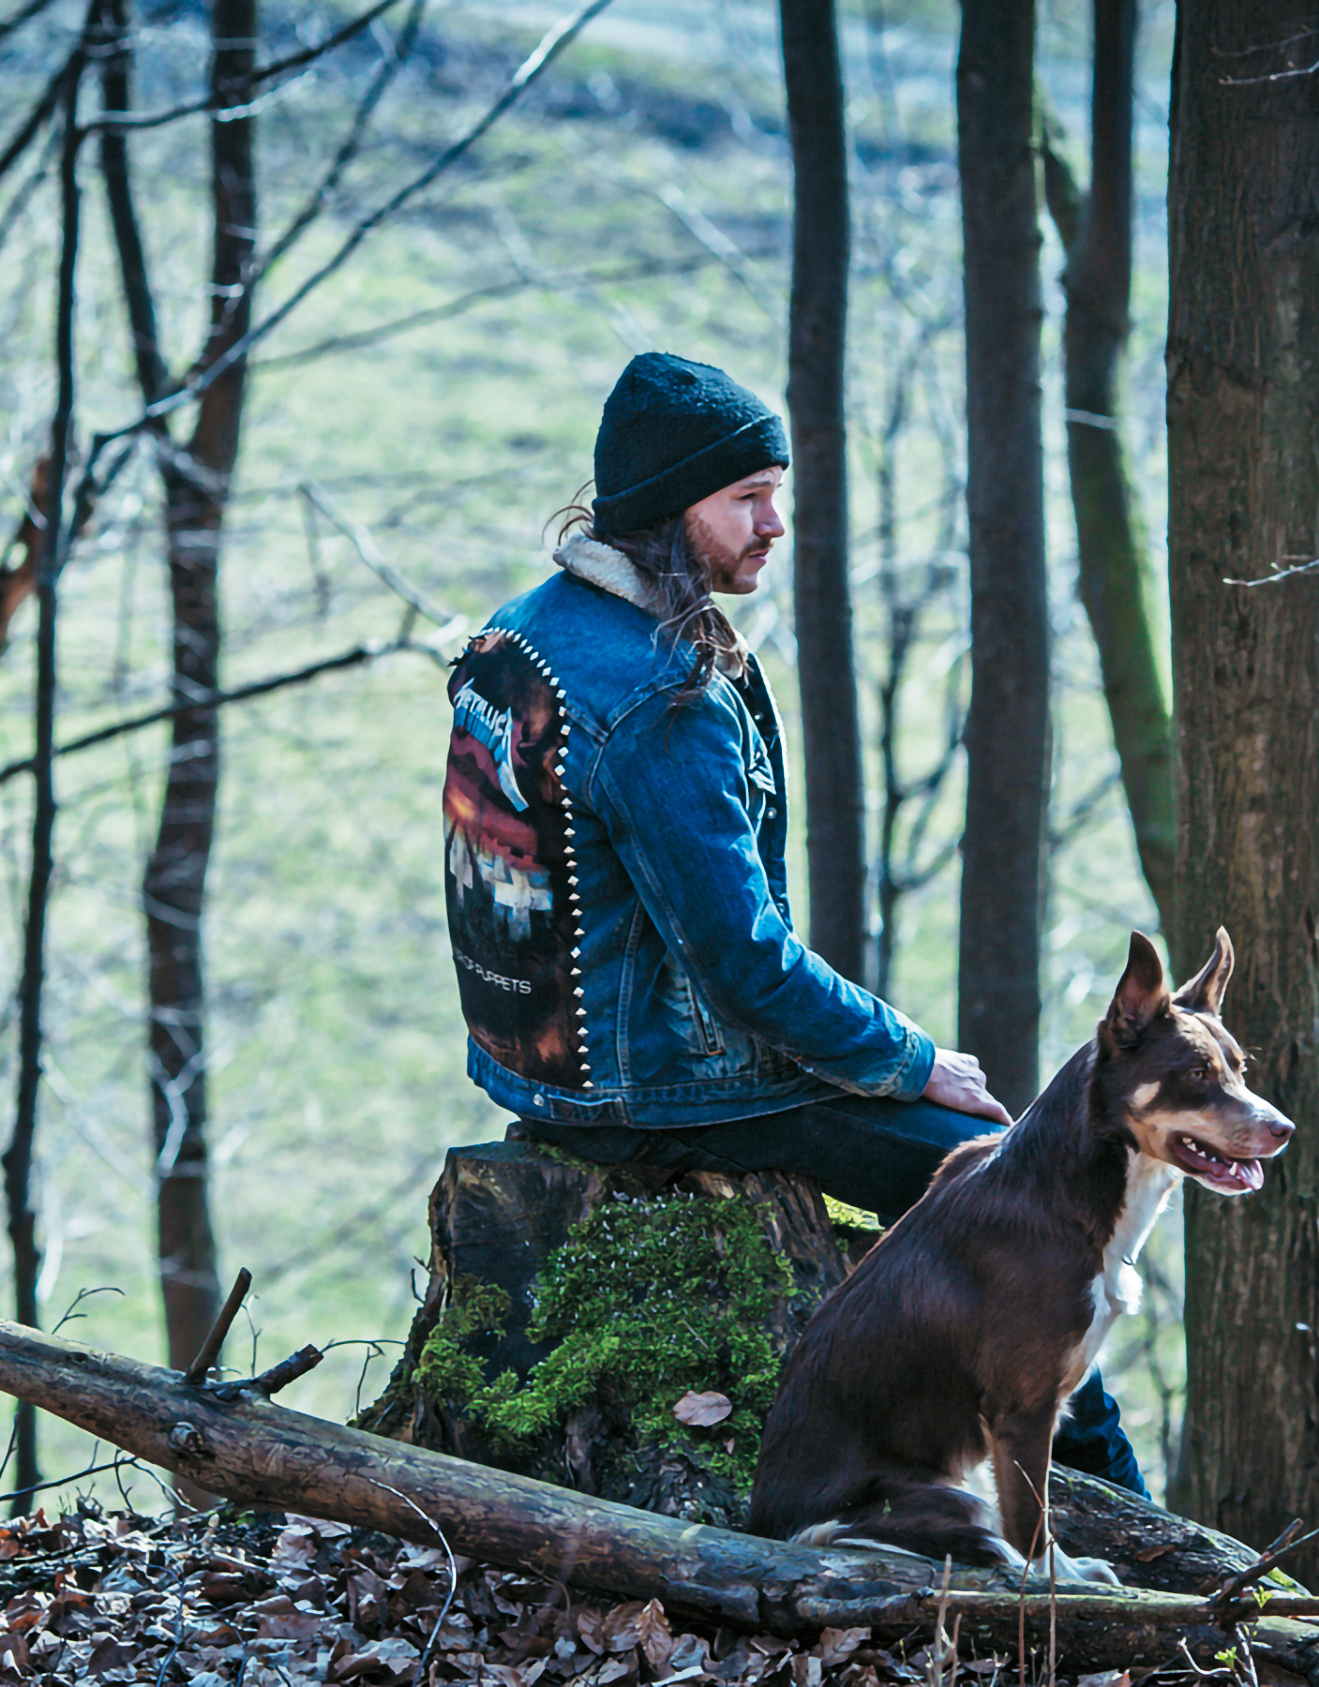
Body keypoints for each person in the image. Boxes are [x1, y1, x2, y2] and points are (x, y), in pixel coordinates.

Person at [438, 350, 1144, 1494]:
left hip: (539, 1065)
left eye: (776, 490)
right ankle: (1119, 1515)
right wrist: (911, 1060)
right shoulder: (658, 701)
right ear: (670, 514)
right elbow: (745, 969)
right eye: (745, 499)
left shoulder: (528, 628)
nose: (776, 523)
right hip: (643, 1086)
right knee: (1017, 1208)